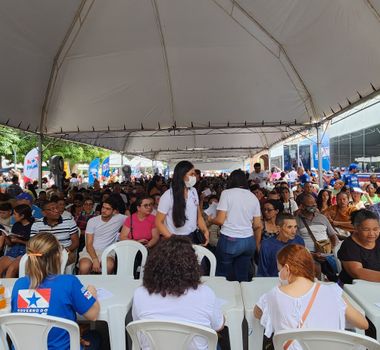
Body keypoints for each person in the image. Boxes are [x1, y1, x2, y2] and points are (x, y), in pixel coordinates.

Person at [254, 244, 368, 350]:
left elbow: (257, 313)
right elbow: (363, 324)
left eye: (279, 270)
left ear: (287, 269)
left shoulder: (273, 295)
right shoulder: (333, 292)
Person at [132, 236, 224, 349]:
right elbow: (218, 326)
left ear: (154, 264)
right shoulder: (206, 294)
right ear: (192, 265)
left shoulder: (140, 293)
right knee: (215, 341)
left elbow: (137, 325)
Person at [11, 232, 100, 350]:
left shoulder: (19, 284)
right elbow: (93, 315)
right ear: (57, 256)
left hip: (24, 347)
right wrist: (91, 292)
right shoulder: (69, 282)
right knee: (96, 336)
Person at [208, 169, 262, 281]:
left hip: (230, 239)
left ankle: (226, 298)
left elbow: (220, 220)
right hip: (248, 241)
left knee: (224, 277)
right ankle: (242, 297)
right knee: (242, 276)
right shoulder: (253, 197)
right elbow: (257, 224)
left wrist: (210, 219)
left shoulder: (226, 194)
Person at [155, 161, 209, 244]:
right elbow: (158, 222)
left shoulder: (193, 191)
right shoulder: (168, 195)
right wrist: (172, 239)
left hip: (192, 236)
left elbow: (199, 216)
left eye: (194, 174)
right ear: (182, 175)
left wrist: (205, 230)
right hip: (174, 237)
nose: (194, 177)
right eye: (191, 174)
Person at [78, 198, 126, 274]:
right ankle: (83, 285)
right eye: (103, 207)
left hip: (108, 251)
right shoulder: (92, 221)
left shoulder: (120, 218)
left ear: (114, 211)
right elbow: (89, 244)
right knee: (84, 266)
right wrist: (95, 259)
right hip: (90, 250)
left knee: (108, 266)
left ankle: (106, 285)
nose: (103, 210)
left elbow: (134, 220)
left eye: (108, 209)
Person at [338, 209, 380, 284]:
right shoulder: (349, 245)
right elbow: (357, 272)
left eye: (375, 229)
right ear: (356, 228)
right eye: (366, 229)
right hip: (355, 288)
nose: (372, 233)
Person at [31, 200, 79, 265]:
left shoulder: (69, 221)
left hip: (65, 252)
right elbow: (33, 243)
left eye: (57, 208)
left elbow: (75, 243)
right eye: (52, 209)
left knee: (54, 261)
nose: (57, 211)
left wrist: (63, 250)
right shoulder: (37, 224)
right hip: (44, 253)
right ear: (44, 213)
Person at [0, 204, 34, 277]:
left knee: (11, 269)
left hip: (27, 252)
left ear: (22, 216)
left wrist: (19, 240)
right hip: (14, 250)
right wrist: (6, 237)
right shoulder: (16, 225)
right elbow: (10, 244)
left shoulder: (33, 226)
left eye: (15, 214)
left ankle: (10, 288)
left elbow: (34, 245)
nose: (13, 216)